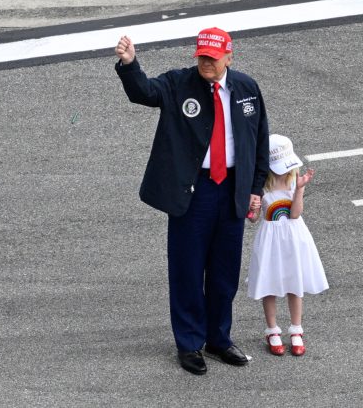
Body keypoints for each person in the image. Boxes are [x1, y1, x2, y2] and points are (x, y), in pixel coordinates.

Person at [114, 28, 269, 375]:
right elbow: (144, 92)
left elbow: (260, 140)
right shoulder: (178, 83)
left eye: (212, 59)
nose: (205, 63)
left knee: (224, 273)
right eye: (201, 56)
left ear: (229, 57)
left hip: (231, 189)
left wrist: (255, 189)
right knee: (186, 270)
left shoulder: (247, 89)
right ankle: (189, 343)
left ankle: (218, 338)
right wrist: (129, 64)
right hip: (194, 191)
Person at [246, 134, 328, 357]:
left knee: (295, 282)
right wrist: (251, 208)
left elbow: (295, 214)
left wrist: (300, 189)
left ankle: (296, 330)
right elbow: (254, 219)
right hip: (270, 239)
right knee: (269, 284)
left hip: (293, 237)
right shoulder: (261, 186)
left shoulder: (293, 182)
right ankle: (272, 330)